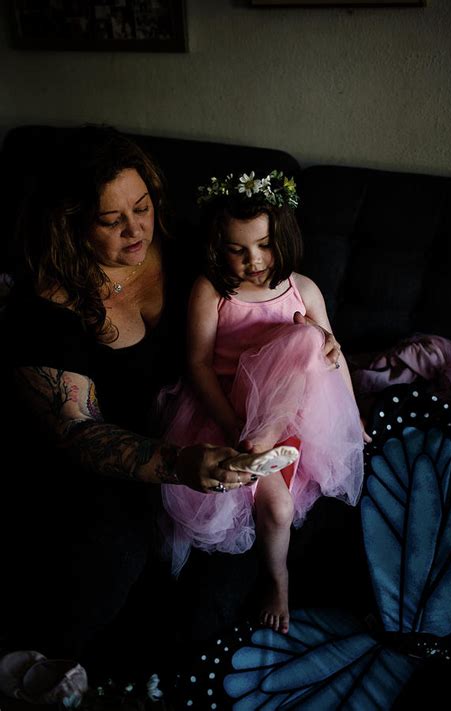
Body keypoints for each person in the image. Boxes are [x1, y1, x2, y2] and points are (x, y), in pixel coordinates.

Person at [0, 125, 259, 704]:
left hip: (194, 438)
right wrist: (177, 463)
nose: (135, 229)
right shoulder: (44, 308)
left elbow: (267, 289)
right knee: (113, 555)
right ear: (67, 223)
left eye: (141, 208)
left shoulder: (184, 246)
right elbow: (77, 431)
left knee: (224, 581)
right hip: (97, 465)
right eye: (109, 220)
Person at [157, 170, 367, 635]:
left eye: (264, 244)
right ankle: (257, 451)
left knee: (310, 339)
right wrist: (233, 423)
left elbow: (336, 356)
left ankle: (278, 580)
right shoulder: (211, 291)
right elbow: (197, 365)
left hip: (289, 415)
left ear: (284, 236)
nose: (253, 260)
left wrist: (352, 419)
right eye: (237, 248)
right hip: (228, 414)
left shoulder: (302, 290)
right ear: (217, 246)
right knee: (276, 508)